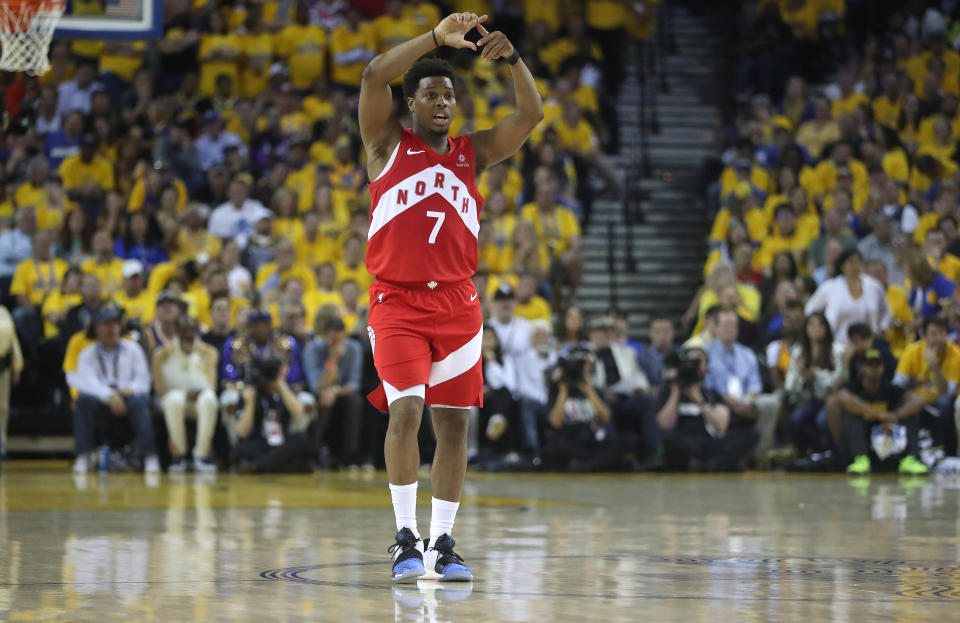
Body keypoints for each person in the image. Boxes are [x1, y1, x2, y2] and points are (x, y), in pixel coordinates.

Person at [359, 11, 542, 582]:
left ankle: (442, 543)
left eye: (449, 96)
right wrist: (435, 40)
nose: (443, 103)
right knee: (405, 411)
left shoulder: (475, 153)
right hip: (397, 302)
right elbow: (372, 76)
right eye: (431, 94)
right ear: (411, 103)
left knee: (456, 425)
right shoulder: (386, 143)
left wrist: (511, 58)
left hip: (459, 303)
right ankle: (404, 537)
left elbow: (532, 114)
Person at [68, 306, 158, 474]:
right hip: (102, 399)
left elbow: (144, 380)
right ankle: (83, 456)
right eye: (106, 325)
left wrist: (131, 388)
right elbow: (86, 382)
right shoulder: (87, 354)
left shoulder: (133, 348)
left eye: (115, 324)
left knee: (141, 401)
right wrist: (109, 395)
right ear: (96, 329)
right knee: (83, 401)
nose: (111, 329)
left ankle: (150, 456)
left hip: (128, 396)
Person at [657, 348, 758, 471]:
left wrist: (699, 400)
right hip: (684, 442)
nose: (692, 366)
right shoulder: (669, 392)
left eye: (698, 361)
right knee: (669, 441)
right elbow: (665, 425)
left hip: (710, 443)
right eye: (689, 361)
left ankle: (709, 465)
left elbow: (721, 427)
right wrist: (675, 391)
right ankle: (713, 465)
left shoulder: (712, 394)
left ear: (706, 367)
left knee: (751, 434)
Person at [839, 349, 928, 475]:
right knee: (850, 414)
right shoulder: (854, 387)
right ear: (862, 368)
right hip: (864, 437)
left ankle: (910, 458)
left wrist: (896, 415)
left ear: (883, 367)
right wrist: (878, 414)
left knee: (910, 410)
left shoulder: (890, 388)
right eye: (870, 365)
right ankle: (860, 459)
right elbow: (843, 399)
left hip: (890, 436)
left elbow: (917, 401)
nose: (874, 369)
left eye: (878, 365)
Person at [152, 314, 220, 473]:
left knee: (209, 399)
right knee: (174, 400)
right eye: (183, 329)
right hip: (173, 399)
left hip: (199, 400)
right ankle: (179, 455)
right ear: (176, 331)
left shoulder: (209, 352)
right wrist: (184, 393)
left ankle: (202, 456)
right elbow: (160, 389)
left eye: (191, 329)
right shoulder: (161, 354)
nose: (188, 333)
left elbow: (211, 384)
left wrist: (197, 392)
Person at [302, 315, 364, 469]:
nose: (336, 344)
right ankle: (313, 454)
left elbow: (354, 384)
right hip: (320, 395)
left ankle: (350, 456)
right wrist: (333, 360)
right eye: (332, 339)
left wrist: (334, 391)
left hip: (340, 394)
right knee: (324, 401)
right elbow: (317, 386)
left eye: (340, 339)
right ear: (324, 337)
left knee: (355, 401)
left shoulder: (354, 348)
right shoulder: (312, 349)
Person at [234, 356, 312, 473]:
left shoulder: (285, 391)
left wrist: (281, 385)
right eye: (280, 372)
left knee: (302, 439)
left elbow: (298, 413)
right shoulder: (252, 392)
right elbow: (242, 432)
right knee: (239, 449)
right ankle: (280, 465)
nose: (284, 373)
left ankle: (258, 466)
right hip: (261, 443)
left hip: (282, 442)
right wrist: (249, 403)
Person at [805, 249, 890, 345]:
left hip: (869, 345)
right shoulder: (830, 287)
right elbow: (810, 309)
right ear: (842, 265)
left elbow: (886, 311)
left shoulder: (873, 286)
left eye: (858, 261)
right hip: (837, 345)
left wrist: (883, 328)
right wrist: (820, 329)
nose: (855, 265)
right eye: (851, 262)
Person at [0, 305, 23, 459]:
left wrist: (17, 364)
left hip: (3, 364)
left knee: (2, 407)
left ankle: (1, 446)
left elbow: (13, 338)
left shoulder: (3, 312)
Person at [487, 283, 532, 360]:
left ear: (516, 302)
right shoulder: (487, 327)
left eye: (509, 299)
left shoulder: (527, 326)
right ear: (494, 303)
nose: (506, 303)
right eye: (501, 300)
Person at [638, 317, 676, 387]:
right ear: (650, 334)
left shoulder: (681, 354)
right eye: (657, 332)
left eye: (666, 331)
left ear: (673, 333)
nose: (662, 336)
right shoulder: (641, 358)